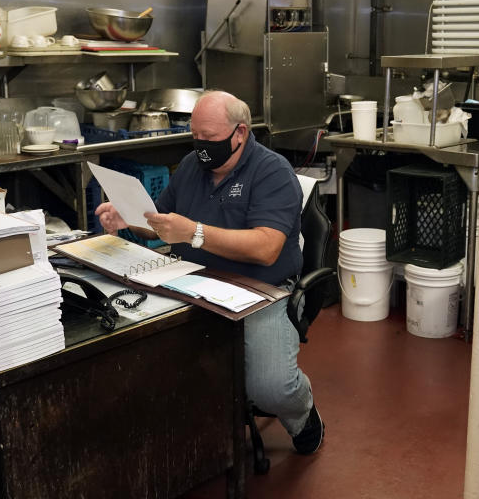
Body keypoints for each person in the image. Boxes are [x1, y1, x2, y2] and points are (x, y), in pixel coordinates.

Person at [95, 90, 325, 455]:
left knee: (272, 387)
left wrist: (195, 233)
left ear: (240, 133)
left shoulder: (273, 172)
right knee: (140, 353)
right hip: (189, 280)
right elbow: (161, 224)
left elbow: (266, 249)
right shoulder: (191, 166)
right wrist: (130, 218)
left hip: (257, 290)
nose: (201, 146)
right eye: (195, 137)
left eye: (211, 139)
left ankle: (303, 413)